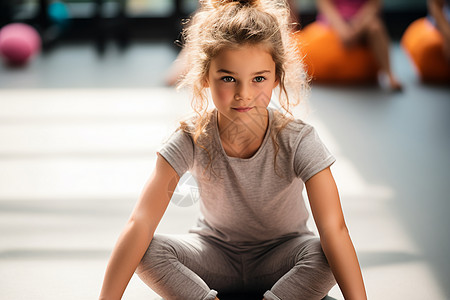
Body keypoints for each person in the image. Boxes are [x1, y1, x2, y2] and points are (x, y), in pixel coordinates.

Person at [99, 1, 367, 299]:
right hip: (214, 256)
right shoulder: (191, 136)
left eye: (259, 79)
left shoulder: (298, 139)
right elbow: (141, 221)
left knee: (327, 253)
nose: (244, 94)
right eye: (228, 79)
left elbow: (335, 229)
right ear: (205, 77)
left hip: (283, 258)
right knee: (145, 249)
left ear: (276, 77)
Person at [317, 0, 402, 90]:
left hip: (364, 21)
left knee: (376, 28)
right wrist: (342, 30)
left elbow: (373, 7)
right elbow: (326, 6)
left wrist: (356, 30)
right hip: (334, 22)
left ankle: (389, 74)